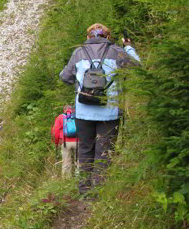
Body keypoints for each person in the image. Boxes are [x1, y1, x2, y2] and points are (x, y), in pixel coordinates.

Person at [59, 23, 140, 195]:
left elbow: (65, 77)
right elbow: (137, 68)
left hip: (83, 111)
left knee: (85, 149)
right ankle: (99, 191)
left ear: (89, 37)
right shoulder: (117, 51)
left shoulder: (79, 52)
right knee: (104, 150)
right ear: (108, 37)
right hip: (109, 113)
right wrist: (129, 47)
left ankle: (84, 190)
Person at [51, 105, 78, 178]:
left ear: (64, 110)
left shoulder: (60, 117)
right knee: (79, 161)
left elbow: (55, 131)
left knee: (66, 162)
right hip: (78, 141)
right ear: (72, 110)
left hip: (65, 142)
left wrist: (56, 142)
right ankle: (80, 178)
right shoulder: (77, 116)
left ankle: (66, 179)